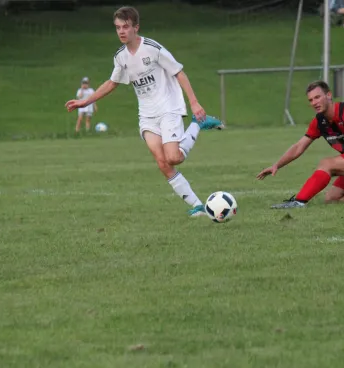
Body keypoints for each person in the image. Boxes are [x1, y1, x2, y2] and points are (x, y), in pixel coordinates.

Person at [65, 6, 224, 217]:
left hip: (169, 108)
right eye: (118, 28)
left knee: (174, 158)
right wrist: (85, 101)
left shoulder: (153, 48)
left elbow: (179, 72)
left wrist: (194, 103)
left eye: (125, 27)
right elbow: (112, 83)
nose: (121, 31)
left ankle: (197, 123)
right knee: (162, 163)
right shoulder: (120, 57)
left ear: (136, 28)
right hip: (147, 116)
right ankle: (197, 205)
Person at [256, 80, 344, 209]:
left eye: (317, 97)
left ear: (329, 95)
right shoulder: (319, 122)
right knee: (331, 199)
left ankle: (298, 202)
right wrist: (276, 165)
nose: (314, 102)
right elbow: (298, 147)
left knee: (327, 164)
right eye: (311, 100)